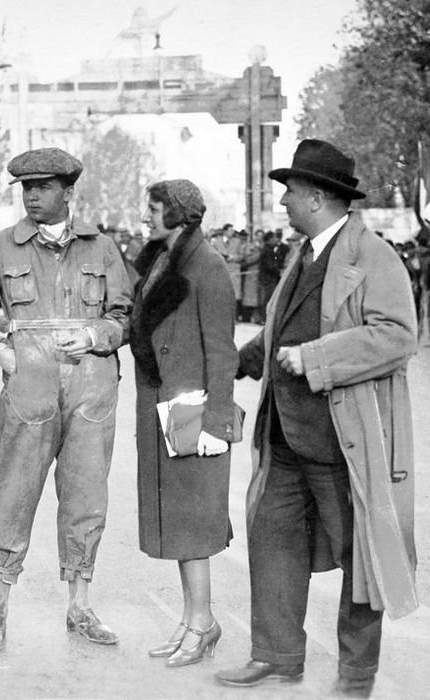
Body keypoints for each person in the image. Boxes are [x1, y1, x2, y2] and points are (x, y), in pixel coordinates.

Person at [215, 139, 418, 698]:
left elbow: (398, 337)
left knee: (361, 560)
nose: (282, 203)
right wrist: (236, 362)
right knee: (272, 542)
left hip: (342, 443)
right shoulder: (302, 255)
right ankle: (277, 657)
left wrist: (316, 358)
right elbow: (283, 328)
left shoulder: (374, 255)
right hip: (284, 437)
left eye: (290, 193)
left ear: (319, 197)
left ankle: (356, 676)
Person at [0, 147, 132, 655]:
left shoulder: (102, 249)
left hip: (92, 386)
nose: (32, 196)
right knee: (15, 493)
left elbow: (126, 315)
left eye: (43, 187)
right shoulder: (1, 247)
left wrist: (98, 336)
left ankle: (80, 605)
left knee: (86, 497)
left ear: (68, 192)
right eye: (26, 188)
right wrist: (0, 352)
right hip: (29, 386)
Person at [129, 180, 238, 668]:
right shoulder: (161, 259)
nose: (146, 216)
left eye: (154, 209)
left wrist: (216, 423)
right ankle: (194, 618)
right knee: (177, 521)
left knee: (193, 523)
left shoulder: (207, 266)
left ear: (180, 214)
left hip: (192, 409)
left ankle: (203, 622)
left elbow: (222, 351)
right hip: (167, 403)